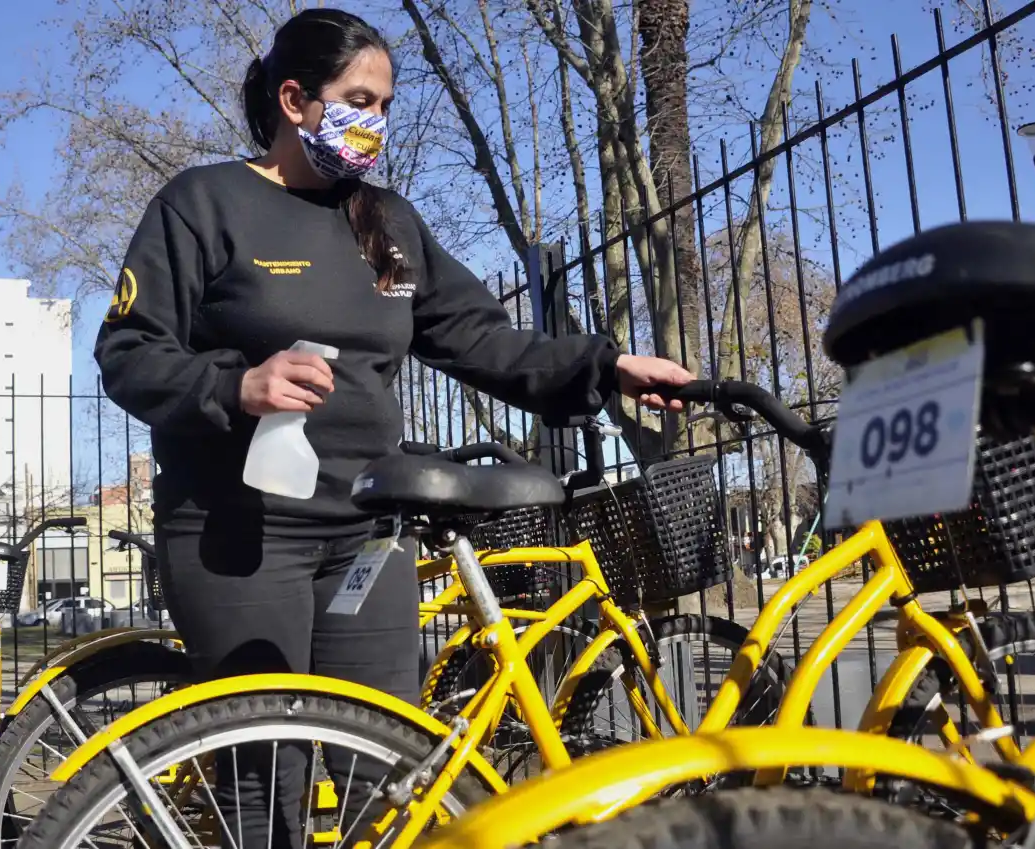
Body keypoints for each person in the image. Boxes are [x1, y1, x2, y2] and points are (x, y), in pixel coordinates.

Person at [94, 8, 694, 846]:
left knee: (392, 770)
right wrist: (237, 385)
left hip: (368, 535)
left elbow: (480, 337)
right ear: (295, 99)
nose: (375, 122)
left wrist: (604, 368)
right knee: (268, 777)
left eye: (384, 105)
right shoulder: (203, 203)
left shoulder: (383, 222)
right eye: (358, 100)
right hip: (237, 533)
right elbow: (128, 351)